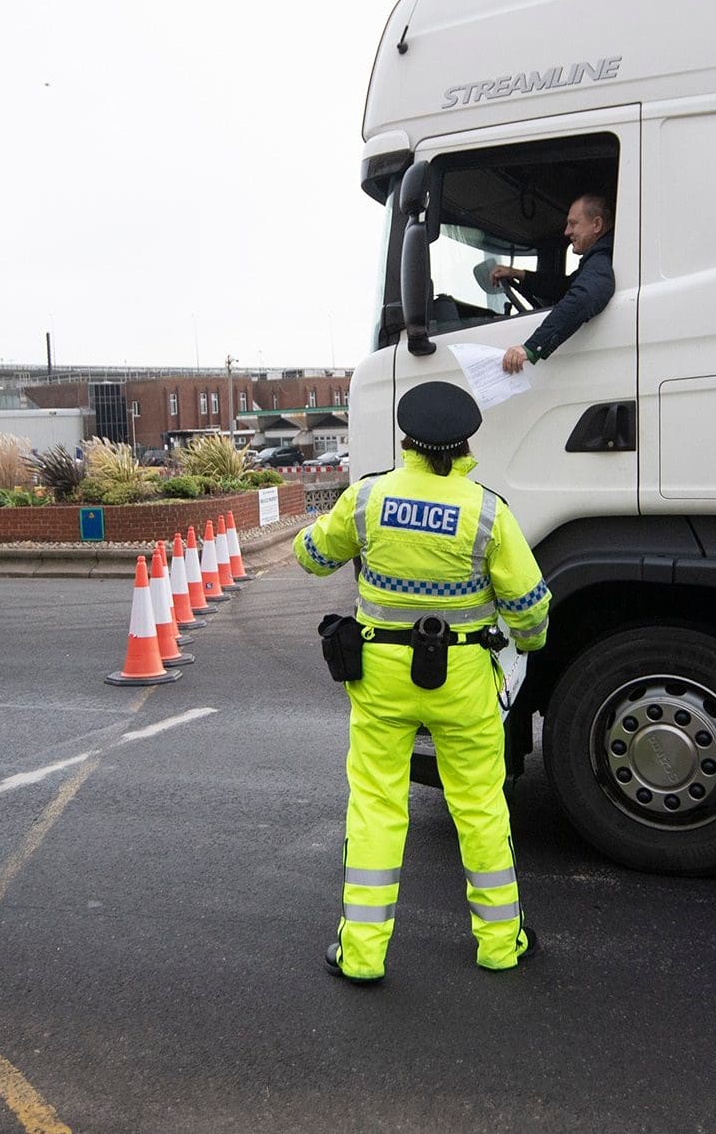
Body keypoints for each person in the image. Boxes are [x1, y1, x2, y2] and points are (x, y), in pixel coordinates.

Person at [295, 381, 553, 983]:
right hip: (462, 682)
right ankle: (499, 944)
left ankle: (361, 955)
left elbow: (313, 557)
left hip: (378, 680)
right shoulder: (487, 510)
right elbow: (530, 609)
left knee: (377, 807)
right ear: (463, 445)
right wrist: (531, 643)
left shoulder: (367, 498)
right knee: (480, 806)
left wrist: (316, 542)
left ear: (406, 440)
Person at [493, 193, 615, 375]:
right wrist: (518, 274)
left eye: (573, 223)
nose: (567, 232)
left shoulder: (602, 256)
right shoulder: (599, 256)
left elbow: (584, 296)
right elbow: (565, 288)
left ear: (596, 224)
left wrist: (532, 348)